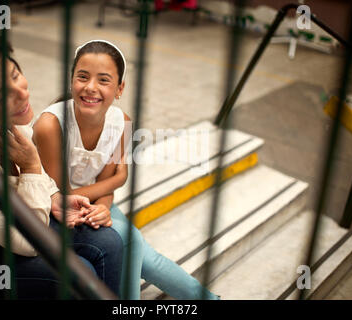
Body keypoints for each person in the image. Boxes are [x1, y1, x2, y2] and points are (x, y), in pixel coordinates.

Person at [0, 33, 123, 299]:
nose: (22, 93)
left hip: (23, 216)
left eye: (14, 74)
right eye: (1, 96)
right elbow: (25, 242)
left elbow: (46, 180)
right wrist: (32, 165)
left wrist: (55, 197)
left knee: (109, 242)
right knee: (79, 275)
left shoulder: (7, 120)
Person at [33, 40, 219, 300]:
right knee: (131, 242)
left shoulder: (122, 122)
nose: (90, 87)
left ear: (120, 89)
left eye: (104, 80)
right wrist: (118, 179)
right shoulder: (51, 125)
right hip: (55, 212)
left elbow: (106, 184)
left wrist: (104, 205)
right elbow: (60, 196)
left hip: (95, 204)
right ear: (71, 79)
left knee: (145, 255)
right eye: (82, 77)